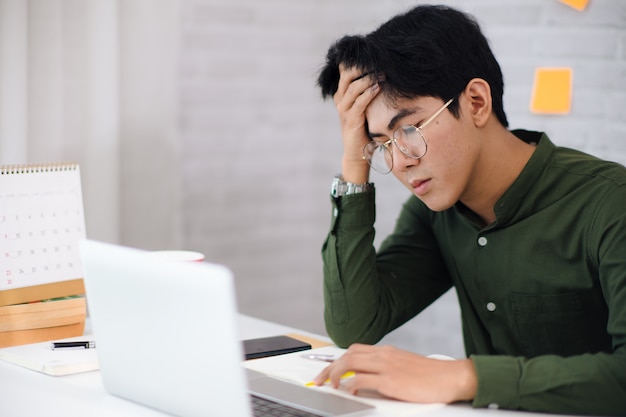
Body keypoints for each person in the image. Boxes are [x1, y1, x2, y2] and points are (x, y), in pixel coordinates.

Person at [312, 4, 626, 416]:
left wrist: (465, 377)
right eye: (381, 144)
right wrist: (355, 162)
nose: (400, 162)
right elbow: (354, 324)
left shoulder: (609, 202)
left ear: (476, 101)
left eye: (408, 129)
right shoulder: (434, 212)